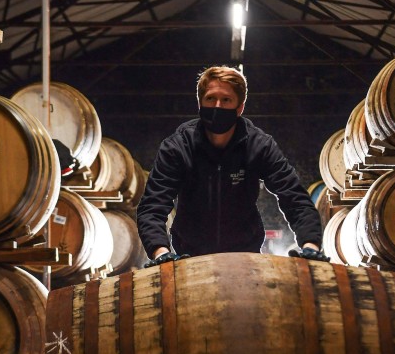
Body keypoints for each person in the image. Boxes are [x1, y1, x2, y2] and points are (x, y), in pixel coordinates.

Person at [137, 65, 329, 267]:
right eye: (210, 98)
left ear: (240, 107)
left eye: (226, 100)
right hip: (190, 258)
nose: (217, 106)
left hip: (245, 256)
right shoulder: (178, 147)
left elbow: (294, 197)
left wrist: (310, 246)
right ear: (200, 102)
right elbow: (153, 205)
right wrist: (161, 252)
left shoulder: (258, 145)